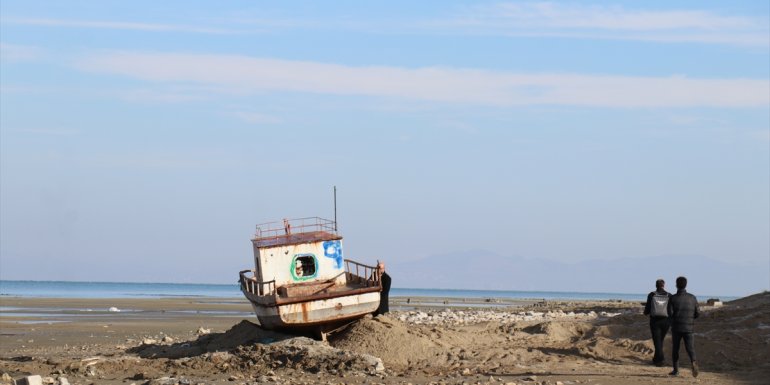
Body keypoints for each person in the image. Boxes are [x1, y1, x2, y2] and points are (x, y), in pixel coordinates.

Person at [668, 276, 700, 378]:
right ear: (686, 285)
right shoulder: (692, 297)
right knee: (690, 348)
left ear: (676, 285)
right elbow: (697, 313)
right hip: (689, 328)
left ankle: (676, 370)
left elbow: (670, 313)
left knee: (675, 349)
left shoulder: (672, 298)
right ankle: (693, 362)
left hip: (677, 327)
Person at [643, 279, 670, 366]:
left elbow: (647, 309)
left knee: (657, 341)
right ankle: (656, 359)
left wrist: (646, 313)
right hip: (666, 321)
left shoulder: (651, 295)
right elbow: (671, 309)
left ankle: (660, 360)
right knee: (660, 340)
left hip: (655, 321)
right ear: (664, 285)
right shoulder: (669, 295)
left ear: (656, 285)